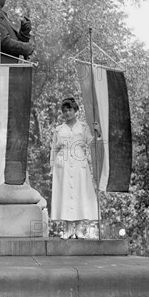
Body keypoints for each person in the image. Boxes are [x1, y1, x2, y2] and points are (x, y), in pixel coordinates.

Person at [49, 97, 101, 239]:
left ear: (75, 110)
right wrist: (52, 166)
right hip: (63, 163)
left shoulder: (83, 127)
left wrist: (97, 132)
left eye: (70, 110)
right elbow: (54, 148)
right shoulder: (59, 129)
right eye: (65, 111)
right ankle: (67, 228)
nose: (67, 113)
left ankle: (78, 229)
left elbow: (91, 143)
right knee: (65, 194)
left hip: (79, 162)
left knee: (79, 193)